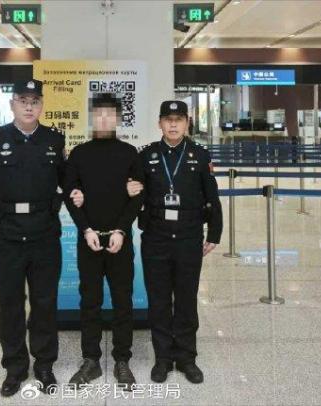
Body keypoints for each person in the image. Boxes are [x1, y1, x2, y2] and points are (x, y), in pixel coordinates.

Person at [0, 79, 84, 397]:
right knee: (10, 305)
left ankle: (44, 365)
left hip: (44, 234)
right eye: (23, 100)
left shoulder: (54, 139)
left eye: (35, 101)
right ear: (13, 105)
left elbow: (66, 179)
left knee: (44, 303)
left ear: (42, 105)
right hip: (7, 234)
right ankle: (15, 368)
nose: (29, 106)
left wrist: (76, 191)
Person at [126, 100, 223, 384]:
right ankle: (163, 358)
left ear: (187, 123)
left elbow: (212, 196)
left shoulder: (200, 155)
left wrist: (214, 233)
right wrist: (128, 190)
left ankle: (187, 357)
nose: (173, 124)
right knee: (158, 300)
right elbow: (135, 195)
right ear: (159, 123)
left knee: (186, 299)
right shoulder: (146, 155)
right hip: (155, 237)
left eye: (178, 119)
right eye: (168, 119)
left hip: (188, 236)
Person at [63, 93, 144, 390]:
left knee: (123, 301)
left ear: (118, 118)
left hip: (120, 241)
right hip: (90, 240)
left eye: (110, 114)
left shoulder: (129, 153)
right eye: (99, 113)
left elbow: (138, 196)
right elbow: (70, 195)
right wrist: (85, 229)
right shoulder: (79, 154)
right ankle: (91, 360)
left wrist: (122, 230)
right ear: (92, 117)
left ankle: (122, 359)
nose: (104, 119)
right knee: (90, 301)